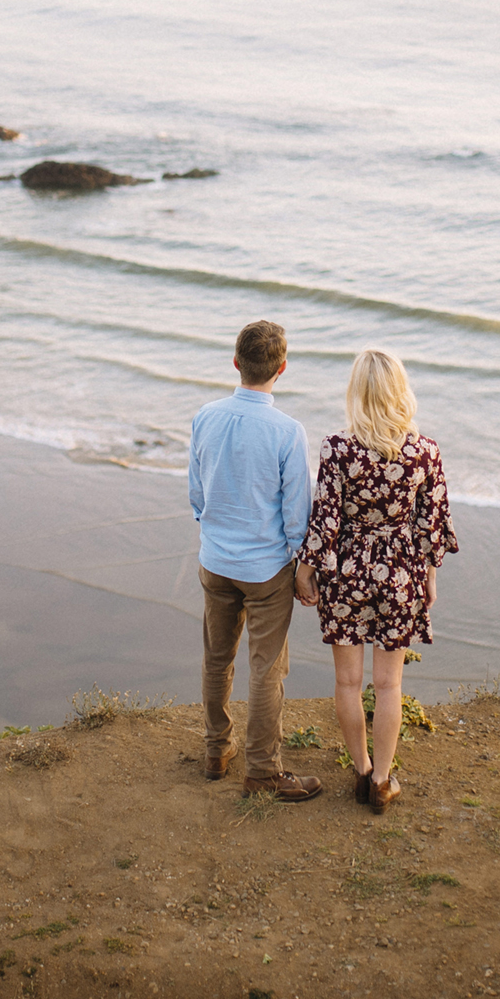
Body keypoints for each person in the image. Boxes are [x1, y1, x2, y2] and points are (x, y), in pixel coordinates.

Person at [303, 348, 457, 813]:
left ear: (358, 393)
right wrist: (429, 577)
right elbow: (432, 526)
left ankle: (362, 770)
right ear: (399, 392)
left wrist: (305, 573)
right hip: (401, 573)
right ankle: (384, 782)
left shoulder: (337, 448)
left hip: (347, 572)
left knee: (347, 682)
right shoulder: (424, 451)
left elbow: (325, 520)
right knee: (389, 685)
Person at [188, 319, 324, 801]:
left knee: (217, 657)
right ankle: (263, 769)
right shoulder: (287, 431)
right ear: (282, 369)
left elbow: (198, 494)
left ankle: (214, 750)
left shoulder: (206, 415)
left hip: (215, 560)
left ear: (235, 363)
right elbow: (296, 513)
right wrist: (300, 568)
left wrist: (218, 530)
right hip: (266, 570)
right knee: (266, 668)